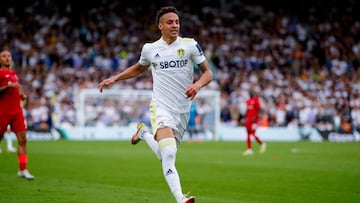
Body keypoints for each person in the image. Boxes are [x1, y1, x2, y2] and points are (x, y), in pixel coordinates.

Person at [98, 6, 213, 203]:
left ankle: (143, 134)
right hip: (161, 107)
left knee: (164, 154)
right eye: (170, 22)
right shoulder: (150, 49)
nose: (175, 25)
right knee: (169, 153)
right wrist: (115, 79)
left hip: (183, 110)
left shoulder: (190, 45)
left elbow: (208, 73)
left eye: (177, 22)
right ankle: (181, 199)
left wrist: (197, 85)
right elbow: (138, 68)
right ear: (160, 26)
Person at [0, 50, 35, 180]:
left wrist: (21, 95)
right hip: (2, 112)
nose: (7, 58)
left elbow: (16, 88)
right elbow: (9, 87)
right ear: (0, 60)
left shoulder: (14, 73)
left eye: (9, 56)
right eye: (4, 56)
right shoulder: (0, 73)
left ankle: (23, 169)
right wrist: (7, 86)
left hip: (17, 112)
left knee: (22, 140)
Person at [242, 90, 266, 156]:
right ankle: (249, 149)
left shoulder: (256, 100)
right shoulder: (247, 101)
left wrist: (258, 118)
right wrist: (246, 118)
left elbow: (259, 110)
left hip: (254, 120)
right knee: (248, 134)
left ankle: (261, 144)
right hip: (248, 120)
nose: (251, 93)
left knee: (252, 133)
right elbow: (247, 111)